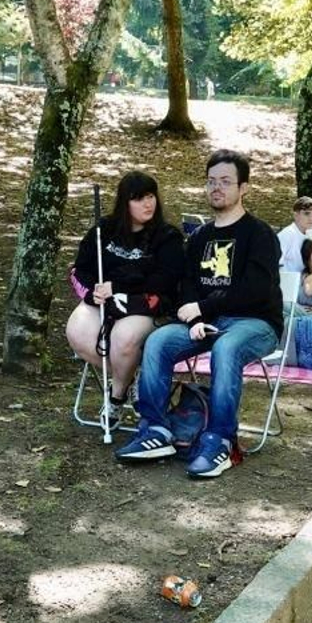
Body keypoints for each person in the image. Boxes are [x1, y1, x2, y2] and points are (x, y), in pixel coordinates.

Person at [115, 149, 282, 479]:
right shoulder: (200, 237)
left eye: (225, 181)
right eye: (210, 182)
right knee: (160, 339)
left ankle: (219, 439)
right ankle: (156, 431)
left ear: (243, 188)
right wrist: (194, 319)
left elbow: (256, 289)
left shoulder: (259, 234)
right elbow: (187, 284)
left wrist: (203, 309)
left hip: (255, 323)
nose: (216, 188)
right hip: (206, 324)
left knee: (227, 347)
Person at [66, 170, 185, 409]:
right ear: (124, 202)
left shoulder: (168, 236)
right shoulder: (103, 231)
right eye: (138, 198)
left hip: (145, 303)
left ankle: (117, 396)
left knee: (124, 338)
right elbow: (81, 270)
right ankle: (134, 374)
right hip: (105, 301)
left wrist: (119, 286)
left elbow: (166, 279)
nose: (147, 203)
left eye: (151, 196)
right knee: (76, 331)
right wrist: (92, 292)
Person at [277, 196, 312, 272]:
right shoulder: (287, 234)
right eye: (306, 214)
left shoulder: (309, 231)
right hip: (289, 280)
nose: (311, 219)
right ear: (296, 215)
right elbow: (276, 263)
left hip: (303, 277)